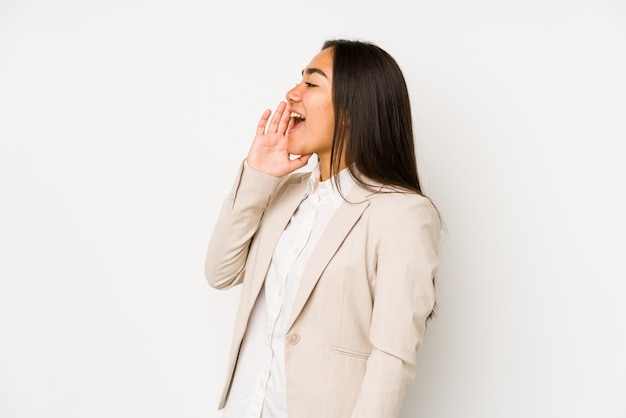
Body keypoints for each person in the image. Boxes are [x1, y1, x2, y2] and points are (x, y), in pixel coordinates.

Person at [204, 39, 442, 418]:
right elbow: (220, 272)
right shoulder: (283, 193)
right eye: (299, 80)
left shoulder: (403, 214)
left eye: (311, 84)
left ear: (351, 110)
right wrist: (257, 174)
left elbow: (391, 359)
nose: (291, 93)